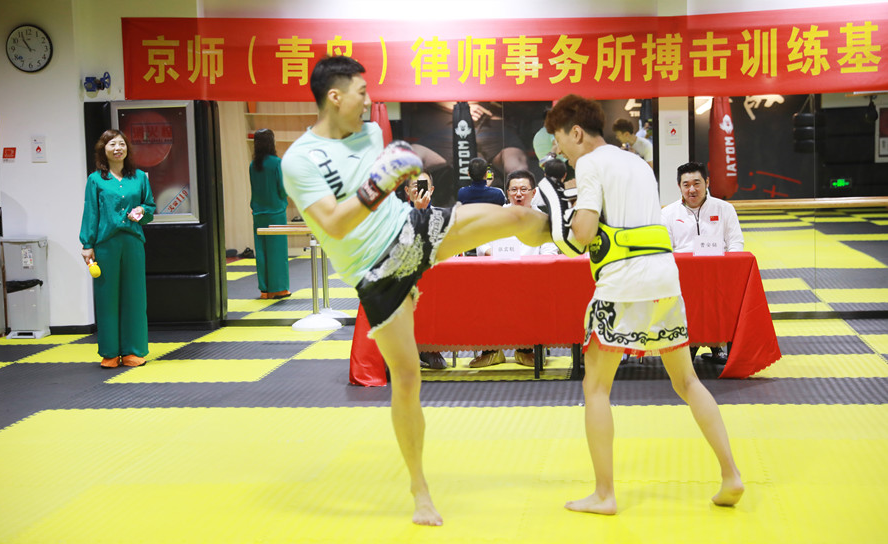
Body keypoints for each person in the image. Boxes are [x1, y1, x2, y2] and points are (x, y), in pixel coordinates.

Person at [280, 55, 553, 526]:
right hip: (375, 271)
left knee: (514, 216)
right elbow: (333, 224)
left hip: (411, 230)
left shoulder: (370, 133)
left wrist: (404, 167)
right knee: (407, 379)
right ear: (335, 96)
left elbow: (403, 172)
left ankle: (581, 235)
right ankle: (419, 490)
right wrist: (379, 182)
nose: (369, 99)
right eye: (361, 92)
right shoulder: (300, 159)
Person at [539, 94, 743, 515]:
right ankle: (731, 475)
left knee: (596, 387)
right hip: (665, 280)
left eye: (558, 138)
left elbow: (582, 234)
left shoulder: (589, 164)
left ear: (576, 132)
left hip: (622, 284)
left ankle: (604, 494)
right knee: (688, 382)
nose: (557, 149)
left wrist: (554, 228)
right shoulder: (636, 162)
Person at [79, 129, 156, 369]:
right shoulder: (95, 180)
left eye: (121, 144)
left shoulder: (140, 177)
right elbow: (91, 212)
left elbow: (150, 207)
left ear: (127, 149)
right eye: (112, 144)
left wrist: (142, 211)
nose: (117, 148)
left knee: (135, 296)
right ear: (103, 150)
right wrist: (87, 244)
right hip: (106, 244)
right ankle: (110, 352)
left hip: (133, 242)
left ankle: (133, 351)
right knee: (107, 298)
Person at [470, 170, 558, 369]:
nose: (519, 194)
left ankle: (526, 350)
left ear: (533, 193)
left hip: (531, 278)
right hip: (498, 276)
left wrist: (532, 267)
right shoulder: (495, 216)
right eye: (514, 190)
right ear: (507, 193)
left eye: (524, 189)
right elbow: (481, 242)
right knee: (482, 294)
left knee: (535, 295)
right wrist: (490, 253)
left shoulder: (544, 219)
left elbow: (550, 251)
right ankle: (491, 351)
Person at [662, 161, 744, 362]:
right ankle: (689, 344)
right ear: (679, 186)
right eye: (686, 184)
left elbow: (735, 243)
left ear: (707, 182)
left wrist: (731, 268)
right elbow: (665, 250)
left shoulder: (725, 209)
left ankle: (717, 344)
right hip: (683, 277)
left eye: (697, 183)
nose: (692, 189)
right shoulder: (668, 213)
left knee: (721, 293)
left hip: (719, 275)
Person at [399, 171, 447, 370]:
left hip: (436, 277)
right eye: (414, 186)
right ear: (406, 191)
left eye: (423, 186)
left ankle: (430, 347)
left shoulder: (442, 216)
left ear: (432, 190)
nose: (419, 190)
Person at [249, 128, 291, 300]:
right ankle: (279, 289)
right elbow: (283, 189)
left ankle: (265, 290)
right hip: (276, 212)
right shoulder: (277, 163)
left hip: (258, 213)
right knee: (277, 252)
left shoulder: (253, 165)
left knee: (262, 252)